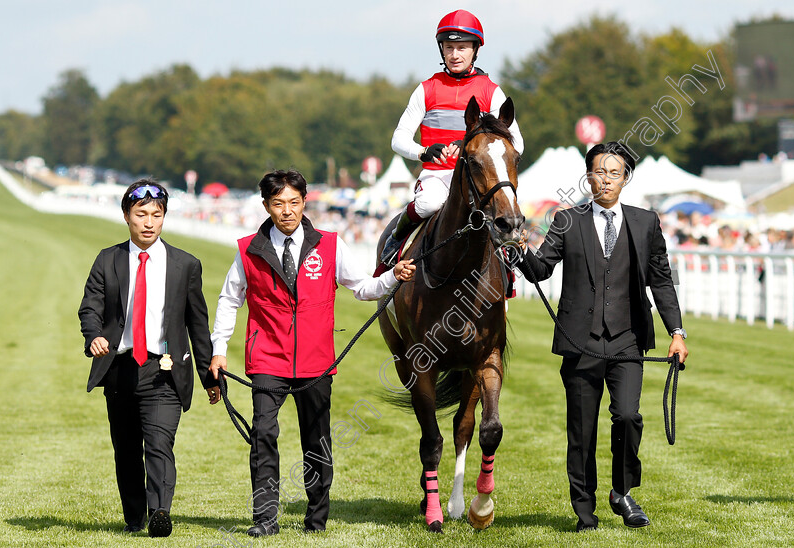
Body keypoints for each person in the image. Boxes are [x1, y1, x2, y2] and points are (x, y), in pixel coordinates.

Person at [209, 169, 416, 537]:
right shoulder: (247, 250)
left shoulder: (331, 245)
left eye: (293, 202)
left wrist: (392, 277)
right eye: (278, 204)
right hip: (267, 359)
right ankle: (265, 519)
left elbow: (363, 287)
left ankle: (317, 519)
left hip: (316, 361)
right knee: (263, 435)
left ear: (304, 202)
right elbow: (229, 300)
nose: (286, 211)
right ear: (266, 206)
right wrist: (219, 350)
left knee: (317, 441)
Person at [514, 142, 689, 532]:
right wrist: (517, 248)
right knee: (582, 432)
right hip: (580, 342)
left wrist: (676, 332)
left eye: (614, 173)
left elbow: (662, 281)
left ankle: (623, 492)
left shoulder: (646, 223)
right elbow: (541, 269)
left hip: (628, 340)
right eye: (599, 171)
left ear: (626, 178)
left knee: (628, 415)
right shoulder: (566, 220)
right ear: (588, 175)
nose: (605, 179)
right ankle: (584, 512)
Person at [78, 179, 218, 537]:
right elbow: (90, 307)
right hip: (120, 369)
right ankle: (134, 518)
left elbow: (198, 324)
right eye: (141, 214)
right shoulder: (107, 260)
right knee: (126, 451)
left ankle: (160, 512)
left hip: (164, 372)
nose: (149, 222)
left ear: (164, 218)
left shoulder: (186, 264)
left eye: (157, 215)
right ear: (127, 216)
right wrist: (94, 336)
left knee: (159, 442)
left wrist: (209, 375)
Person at [380, 9, 525, 266]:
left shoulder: (491, 91)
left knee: (499, 212)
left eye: (462, 47)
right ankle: (395, 241)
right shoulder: (426, 89)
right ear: (441, 50)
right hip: (437, 175)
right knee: (428, 204)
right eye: (449, 47)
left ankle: (508, 267)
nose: (455, 55)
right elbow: (398, 139)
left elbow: (517, 143)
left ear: (475, 50)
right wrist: (424, 152)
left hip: (478, 179)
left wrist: (472, 147)